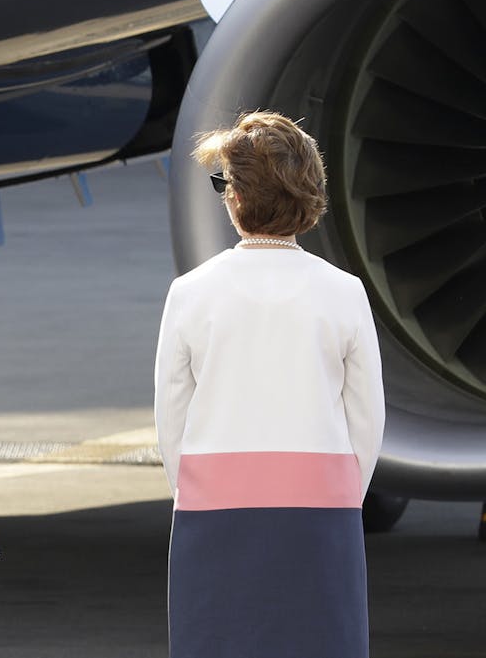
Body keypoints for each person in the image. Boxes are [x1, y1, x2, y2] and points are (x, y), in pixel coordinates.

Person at [154, 111, 385, 657]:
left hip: (214, 503)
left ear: (236, 197)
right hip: (322, 505)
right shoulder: (344, 291)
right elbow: (366, 420)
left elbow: (172, 421)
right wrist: (343, 494)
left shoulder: (190, 292)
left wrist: (194, 492)